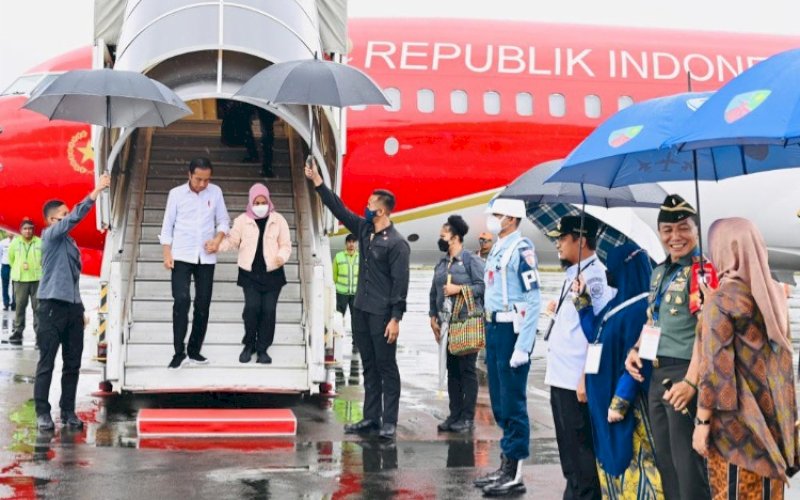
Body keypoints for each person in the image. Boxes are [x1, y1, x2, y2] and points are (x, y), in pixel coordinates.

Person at [693, 218, 799, 499]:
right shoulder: (775, 294)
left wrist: (702, 424)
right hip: (773, 427)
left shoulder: (720, 302)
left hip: (736, 433)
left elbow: (716, 371)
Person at [304, 158, 410, 441]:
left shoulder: (397, 243)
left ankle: (389, 421)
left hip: (382, 314)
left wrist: (395, 318)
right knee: (369, 365)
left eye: (370, 203)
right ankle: (371, 417)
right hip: (361, 310)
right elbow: (339, 209)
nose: (366, 206)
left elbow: (400, 285)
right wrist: (318, 183)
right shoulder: (364, 230)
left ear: (382, 210)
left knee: (387, 367)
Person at [625, 194, 712, 500]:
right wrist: (636, 349)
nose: (675, 236)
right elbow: (654, 318)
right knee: (667, 465)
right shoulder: (660, 272)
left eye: (684, 228)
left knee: (689, 470)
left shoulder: (702, 273)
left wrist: (691, 382)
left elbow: (707, 333)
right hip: (657, 375)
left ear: (697, 230)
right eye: (667, 230)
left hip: (684, 374)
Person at [575, 243, 663, 499]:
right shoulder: (617, 304)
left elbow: (641, 359)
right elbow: (595, 333)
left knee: (639, 469)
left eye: (611, 267)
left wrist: (621, 400)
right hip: (605, 402)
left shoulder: (643, 309)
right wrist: (582, 301)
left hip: (627, 407)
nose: (608, 273)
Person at [473, 197, 541, 497]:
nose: (492, 219)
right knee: (500, 403)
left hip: (512, 331)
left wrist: (523, 346)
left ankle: (515, 474)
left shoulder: (522, 250)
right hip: (494, 328)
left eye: (497, 214)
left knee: (513, 403)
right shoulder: (499, 247)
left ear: (511, 218)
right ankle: (505, 466)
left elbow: (533, 299)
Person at [544, 215, 613, 500]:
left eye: (562, 238)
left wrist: (586, 374)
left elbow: (601, 330)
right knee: (570, 458)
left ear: (581, 240)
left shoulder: (595, 278)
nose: (558, 244)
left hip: (576, 381)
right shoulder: (573, 274)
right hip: (561, 377)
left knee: (582, 460)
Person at [34, 174, 110, 431]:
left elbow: (72, 278)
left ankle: (67, 411)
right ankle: (42, 412)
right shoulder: (50, 236)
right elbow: (76, 217)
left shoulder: (71, 243)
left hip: (71, 307)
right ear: (51, 220)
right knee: (47, 363)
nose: (68, 219)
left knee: (73, 363)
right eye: (63, 215)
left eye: (68, 214)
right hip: (51, 306)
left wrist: (79, 307)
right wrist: (95, 192)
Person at [159, 157, 230, 369]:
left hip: (206, 257)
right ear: (189, 175)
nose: (202, 184)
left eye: (207, 180)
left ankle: (194, 350)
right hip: (181, 254)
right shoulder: (176, 194)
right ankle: (178, 352)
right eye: (198, 179)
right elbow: (167, 226)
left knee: (203, 303)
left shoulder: (215, 192)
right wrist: (167, 253)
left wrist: (217, 240)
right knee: (181, 300)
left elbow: (223, 221)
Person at [220, 183, 291, 364]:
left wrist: (281, 257)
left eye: (263, 202)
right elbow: (232, 241)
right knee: (252, 309)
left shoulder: (278, 220)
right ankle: (249, 344)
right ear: (251, 202)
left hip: (273, 273)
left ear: (269, 201)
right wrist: (215, 246)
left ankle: (262, 349)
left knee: (268, 310)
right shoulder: (242, 221)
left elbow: (285, 244)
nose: (260, 206)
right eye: (256, 203)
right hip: (249, 274)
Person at [429, 215, 484, 434]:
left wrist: (459, 290)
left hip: (466, 323)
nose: (440, 239)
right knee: (452, 370)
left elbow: (482, 287)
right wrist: (432, 315)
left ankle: (467, 418)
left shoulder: (471, 261)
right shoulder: (442, 263)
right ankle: (454, 415)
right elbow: (434, 291)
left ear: (455, 237)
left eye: (443, 236)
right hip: (447, 324)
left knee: (467, 370)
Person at [8, 218, 42, 344]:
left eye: (30, 229)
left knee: (38, 308)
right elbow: (11, 259)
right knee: (20, 306)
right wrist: (19, 268)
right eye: (25, 229)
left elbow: (45, 259)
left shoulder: (40, 242)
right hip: (20, 280)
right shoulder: (15, 243)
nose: (28, 231)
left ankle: (39, 333)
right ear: (21, 230)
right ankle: (18, 331)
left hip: (37, 280)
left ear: (33, 230)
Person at [220, 101, 276, 177]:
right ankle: (264, 164)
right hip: (263, 101)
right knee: (265, 131)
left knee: (263, 131)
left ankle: (261, 161)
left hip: (258, 100)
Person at [333, 234, 359, 319]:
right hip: (341, 293)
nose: (351, 244)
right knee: (339, 317)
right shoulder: (338, 256)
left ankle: (355, 329)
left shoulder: (361, 258)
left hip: (356, 293)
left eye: (353, 242)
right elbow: (334, 275)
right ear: (346, 243)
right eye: (349, 242)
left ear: (357, 244)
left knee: (356, 318)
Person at [0, 231, 14, 311]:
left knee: (15, 285)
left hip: (14, 266)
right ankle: (6, 303)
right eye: (8, 232)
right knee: (5, 285)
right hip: (5, 265)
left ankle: (14, 304)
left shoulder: (17, 242)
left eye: (11, 232)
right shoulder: (2, 242)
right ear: (6, 232)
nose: (10, 233)